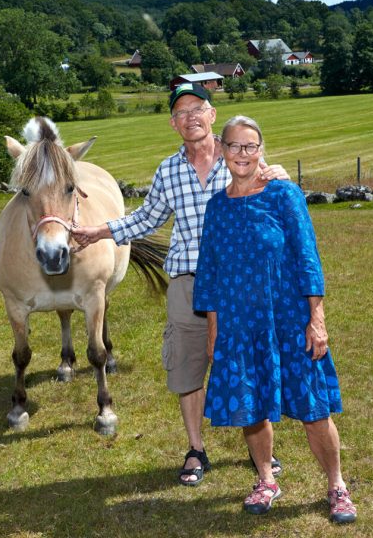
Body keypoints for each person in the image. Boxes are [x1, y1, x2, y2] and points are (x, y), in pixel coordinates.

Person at [72, 84, 286, 486]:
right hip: (188, 284)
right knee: (187, 370)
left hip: (241, 286)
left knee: (247, 366)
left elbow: (275, 201)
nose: (190, 117)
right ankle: (195, 449)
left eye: (197, 109)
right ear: (173, 123)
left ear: (212, 115)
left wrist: (281, 176)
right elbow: (146, 218)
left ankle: (262, 453)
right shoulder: (168, 170)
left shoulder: (241, 156)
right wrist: (97, 231)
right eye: (182, 113)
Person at [192, 115, 356, 524]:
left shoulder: (284, 195)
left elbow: (307, 258)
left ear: (261, 150)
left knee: (313, 407)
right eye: (234, 146)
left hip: (288, 320)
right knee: (253, 408)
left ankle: (336, 485)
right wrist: (215, 330)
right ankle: (266, 478)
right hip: (240, 326)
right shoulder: (216, 207)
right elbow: (209, 273)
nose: (242, 154)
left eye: (250, 146)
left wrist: (316, 317)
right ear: (222, 150)